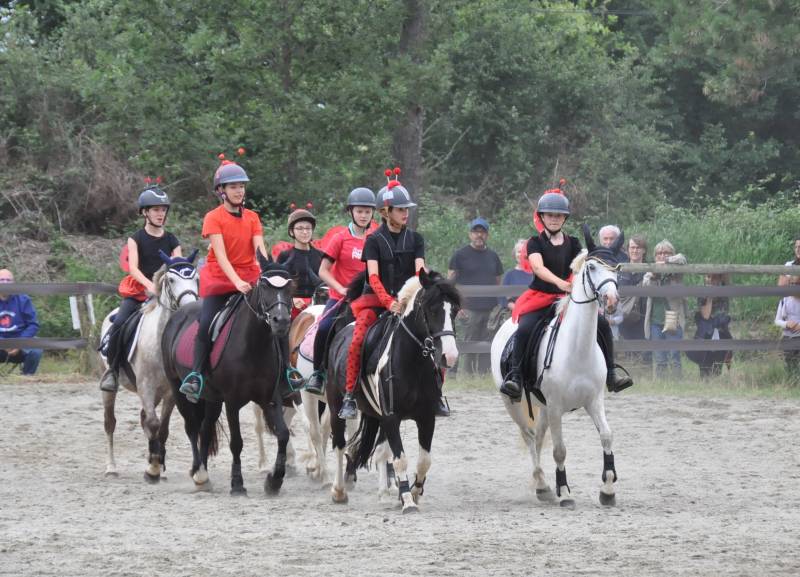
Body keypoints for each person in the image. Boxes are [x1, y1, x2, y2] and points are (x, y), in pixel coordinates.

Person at [500, 193, 633, 403]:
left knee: (603, 326)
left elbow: (582, 267)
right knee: (525, 328)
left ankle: (611, 374)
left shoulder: (573, 243)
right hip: (541, 296)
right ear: (542, 217)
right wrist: (560, 283)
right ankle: (516, 377)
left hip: (568, 298)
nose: (554, 219)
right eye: (550, 215)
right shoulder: (534, 243)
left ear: (564, 219)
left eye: (559, 216)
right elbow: (538, 268)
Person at [339, 169, 446, 419]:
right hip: (377, 302)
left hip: (407, 302)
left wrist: (423, 289)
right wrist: (389, 302)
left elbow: (419, 270)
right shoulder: (374, 240)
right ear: (386, 212)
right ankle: (350, 395)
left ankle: (436, 394)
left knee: (434, 338)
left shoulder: (416, 238)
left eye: (407, 209)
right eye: (400, 209)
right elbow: (373, 277)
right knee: (357, 340)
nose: (406, 213)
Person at [179, 155, 274, 403]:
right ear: (221, 191)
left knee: (277, 317)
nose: (239, 191)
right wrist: (236, 282)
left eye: (241, 186)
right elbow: (220, 256)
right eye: (233, 186)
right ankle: (196, 375)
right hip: (221, 278)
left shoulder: (252, 217)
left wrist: (267, 272)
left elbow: (260, 250)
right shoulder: (213, 217)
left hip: (250, 276)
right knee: (206, 322)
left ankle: (286, 372)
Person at [100, 182, 181, 392]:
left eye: (163, 210)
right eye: (156, 210)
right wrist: (150, 286)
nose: (160, 214)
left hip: (166, 294)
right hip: (139, 292)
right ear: (145, 212)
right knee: (119, 323)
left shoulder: (172, 240)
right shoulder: (135, 238)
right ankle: (113, 371)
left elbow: (177, 266)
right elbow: (133, 268)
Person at [304, 187, 376, 395]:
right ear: (351, 212)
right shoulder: (340, 238)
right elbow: (323, 270)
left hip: (368, 299)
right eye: (359, 211)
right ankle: (318, 374)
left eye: (367, 211)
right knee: (325, 327)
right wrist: (340, 289)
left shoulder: (376, 238)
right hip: (341, 298)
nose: (363, 215)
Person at [448, 217, 503, 375]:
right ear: (470, 234)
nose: (479, 235)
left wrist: (499, 305)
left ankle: (484, 374)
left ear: (487, 235)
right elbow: (450, 283)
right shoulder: (459, 255)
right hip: (468, 308)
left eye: (482, 232)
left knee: (488, 343)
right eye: (476, 231)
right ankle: (467, 374)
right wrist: (457, 306)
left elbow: (498, 282)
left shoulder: (493, 256)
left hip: (491, 309)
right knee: (469, 342)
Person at [643, 240, 688, 379]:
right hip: (655, 321)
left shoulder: (677, 270)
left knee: (675, 355)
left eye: (666, 253)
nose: (662, 255)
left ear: (671, 254)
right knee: (659, 357)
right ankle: (661, 383)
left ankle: (677, 383)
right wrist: (654, 276)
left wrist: (666, 262)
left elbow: (682, 258)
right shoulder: (650, 272)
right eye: (659, 253)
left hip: (674, 320)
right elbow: (645, 288)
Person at [277, 206, 324, 319]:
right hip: (291, 307)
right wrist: (291, 299)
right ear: (291, 231)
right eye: (300, 228)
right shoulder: (285, 256)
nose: (305, 232)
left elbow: (326, 283)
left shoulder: (320, 256)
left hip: (317, 306)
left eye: (308, 228)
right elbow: (278, 285)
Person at [686, 274, 733, 378]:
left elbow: (723, 316)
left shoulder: (724, 294)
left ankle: (715, 378)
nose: (712, 280)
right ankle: (705, 378)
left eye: (714, 277)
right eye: (709, 277)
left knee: (718, 363)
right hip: (705, 332)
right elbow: (706, 315)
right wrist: (709, 297)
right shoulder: (702, 295)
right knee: (704, 363)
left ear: (719, 279)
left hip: (720, 332)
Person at [0, 269, 43, 375]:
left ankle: (26, 378)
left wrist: (19, 343)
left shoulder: (23, 300)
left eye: (8, 280)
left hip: (21, 342)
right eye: (2, 280)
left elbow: (33, 324)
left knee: (36, 348)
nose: (5, 283)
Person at [619, 234, 650, 364]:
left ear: (644, 250)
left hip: (644, 316)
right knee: (628, 354)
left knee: (644, 355)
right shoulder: (621, 269)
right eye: (632, 247)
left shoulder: (650, 269)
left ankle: (646, 372)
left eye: (638, 247)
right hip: (625, 315)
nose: (635, 250)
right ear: (627, 249)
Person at [597, 225, 627, 339]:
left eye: (612, 238)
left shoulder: (625, 258)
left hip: (622, 302)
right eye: (605, 238)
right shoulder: (595, 256)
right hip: (599, 301)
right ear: (601, 240)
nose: (608, 242)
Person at [775, 291, 800, 383]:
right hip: (788, 337)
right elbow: (777, 321)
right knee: (790, 363)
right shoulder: (784, 301)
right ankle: (791, 383)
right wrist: (786, 324)